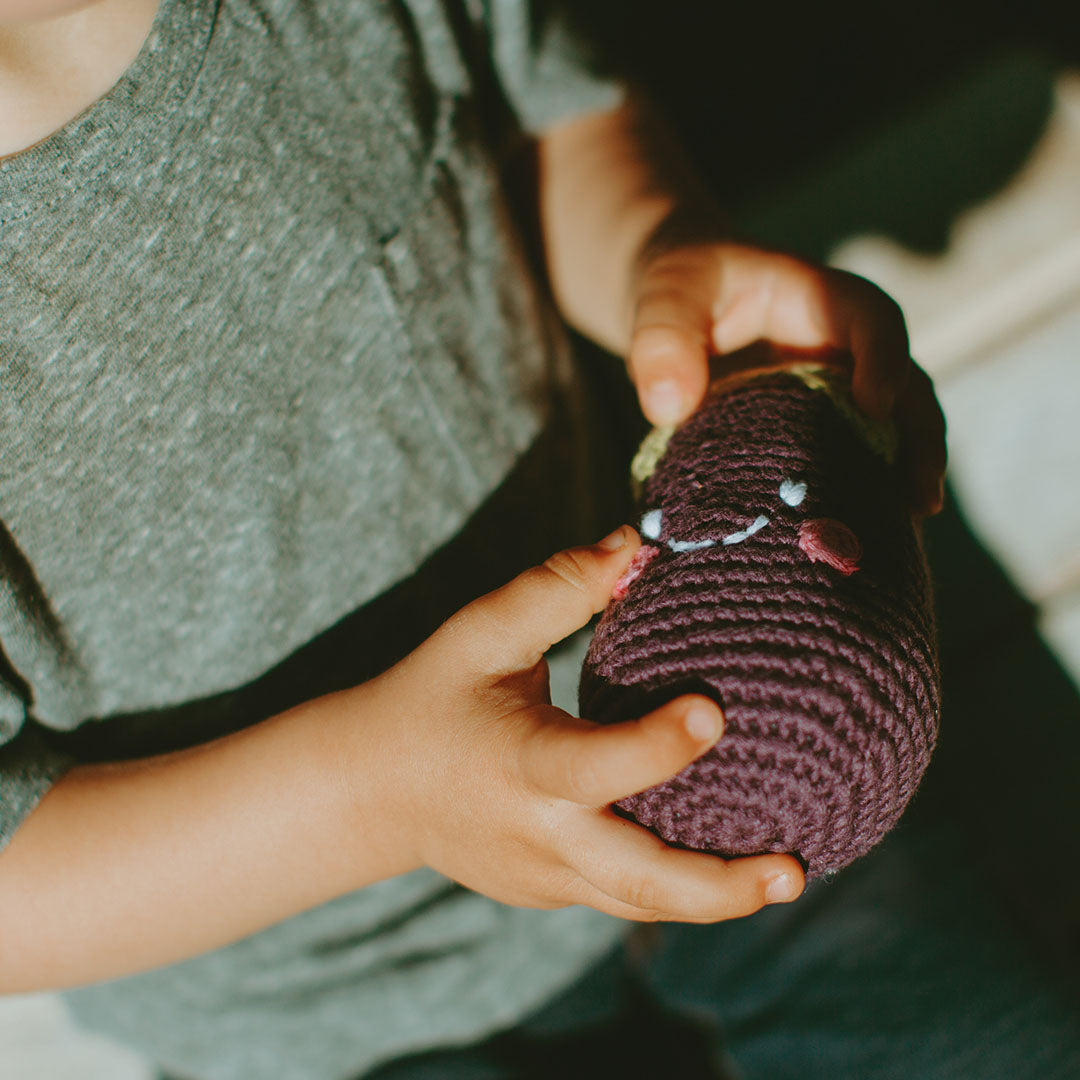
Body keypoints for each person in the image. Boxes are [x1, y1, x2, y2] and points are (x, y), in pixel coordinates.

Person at [2, 2, 1075, 1079]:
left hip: (705, 739)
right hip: (320, 997)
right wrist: (378, 797)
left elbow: (550, 116)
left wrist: (662, 256)